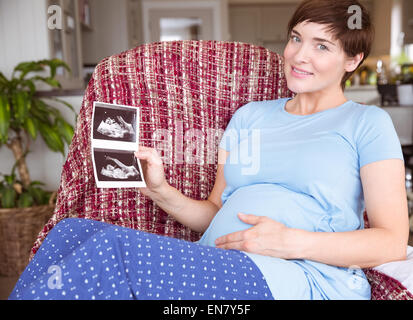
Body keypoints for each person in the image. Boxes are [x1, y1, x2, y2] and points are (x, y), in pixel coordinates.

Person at [9, 0, 409, 300]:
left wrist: (291, 242)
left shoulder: (366, 124)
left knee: (106, 252)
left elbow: (391, 241)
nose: (299, 55)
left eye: (322, 46)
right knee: (70, 232)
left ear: (353, 59)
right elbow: (215, 213)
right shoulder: (251, 116)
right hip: (217, 260)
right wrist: (159, 190)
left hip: (301, 276)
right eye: (296, 38)